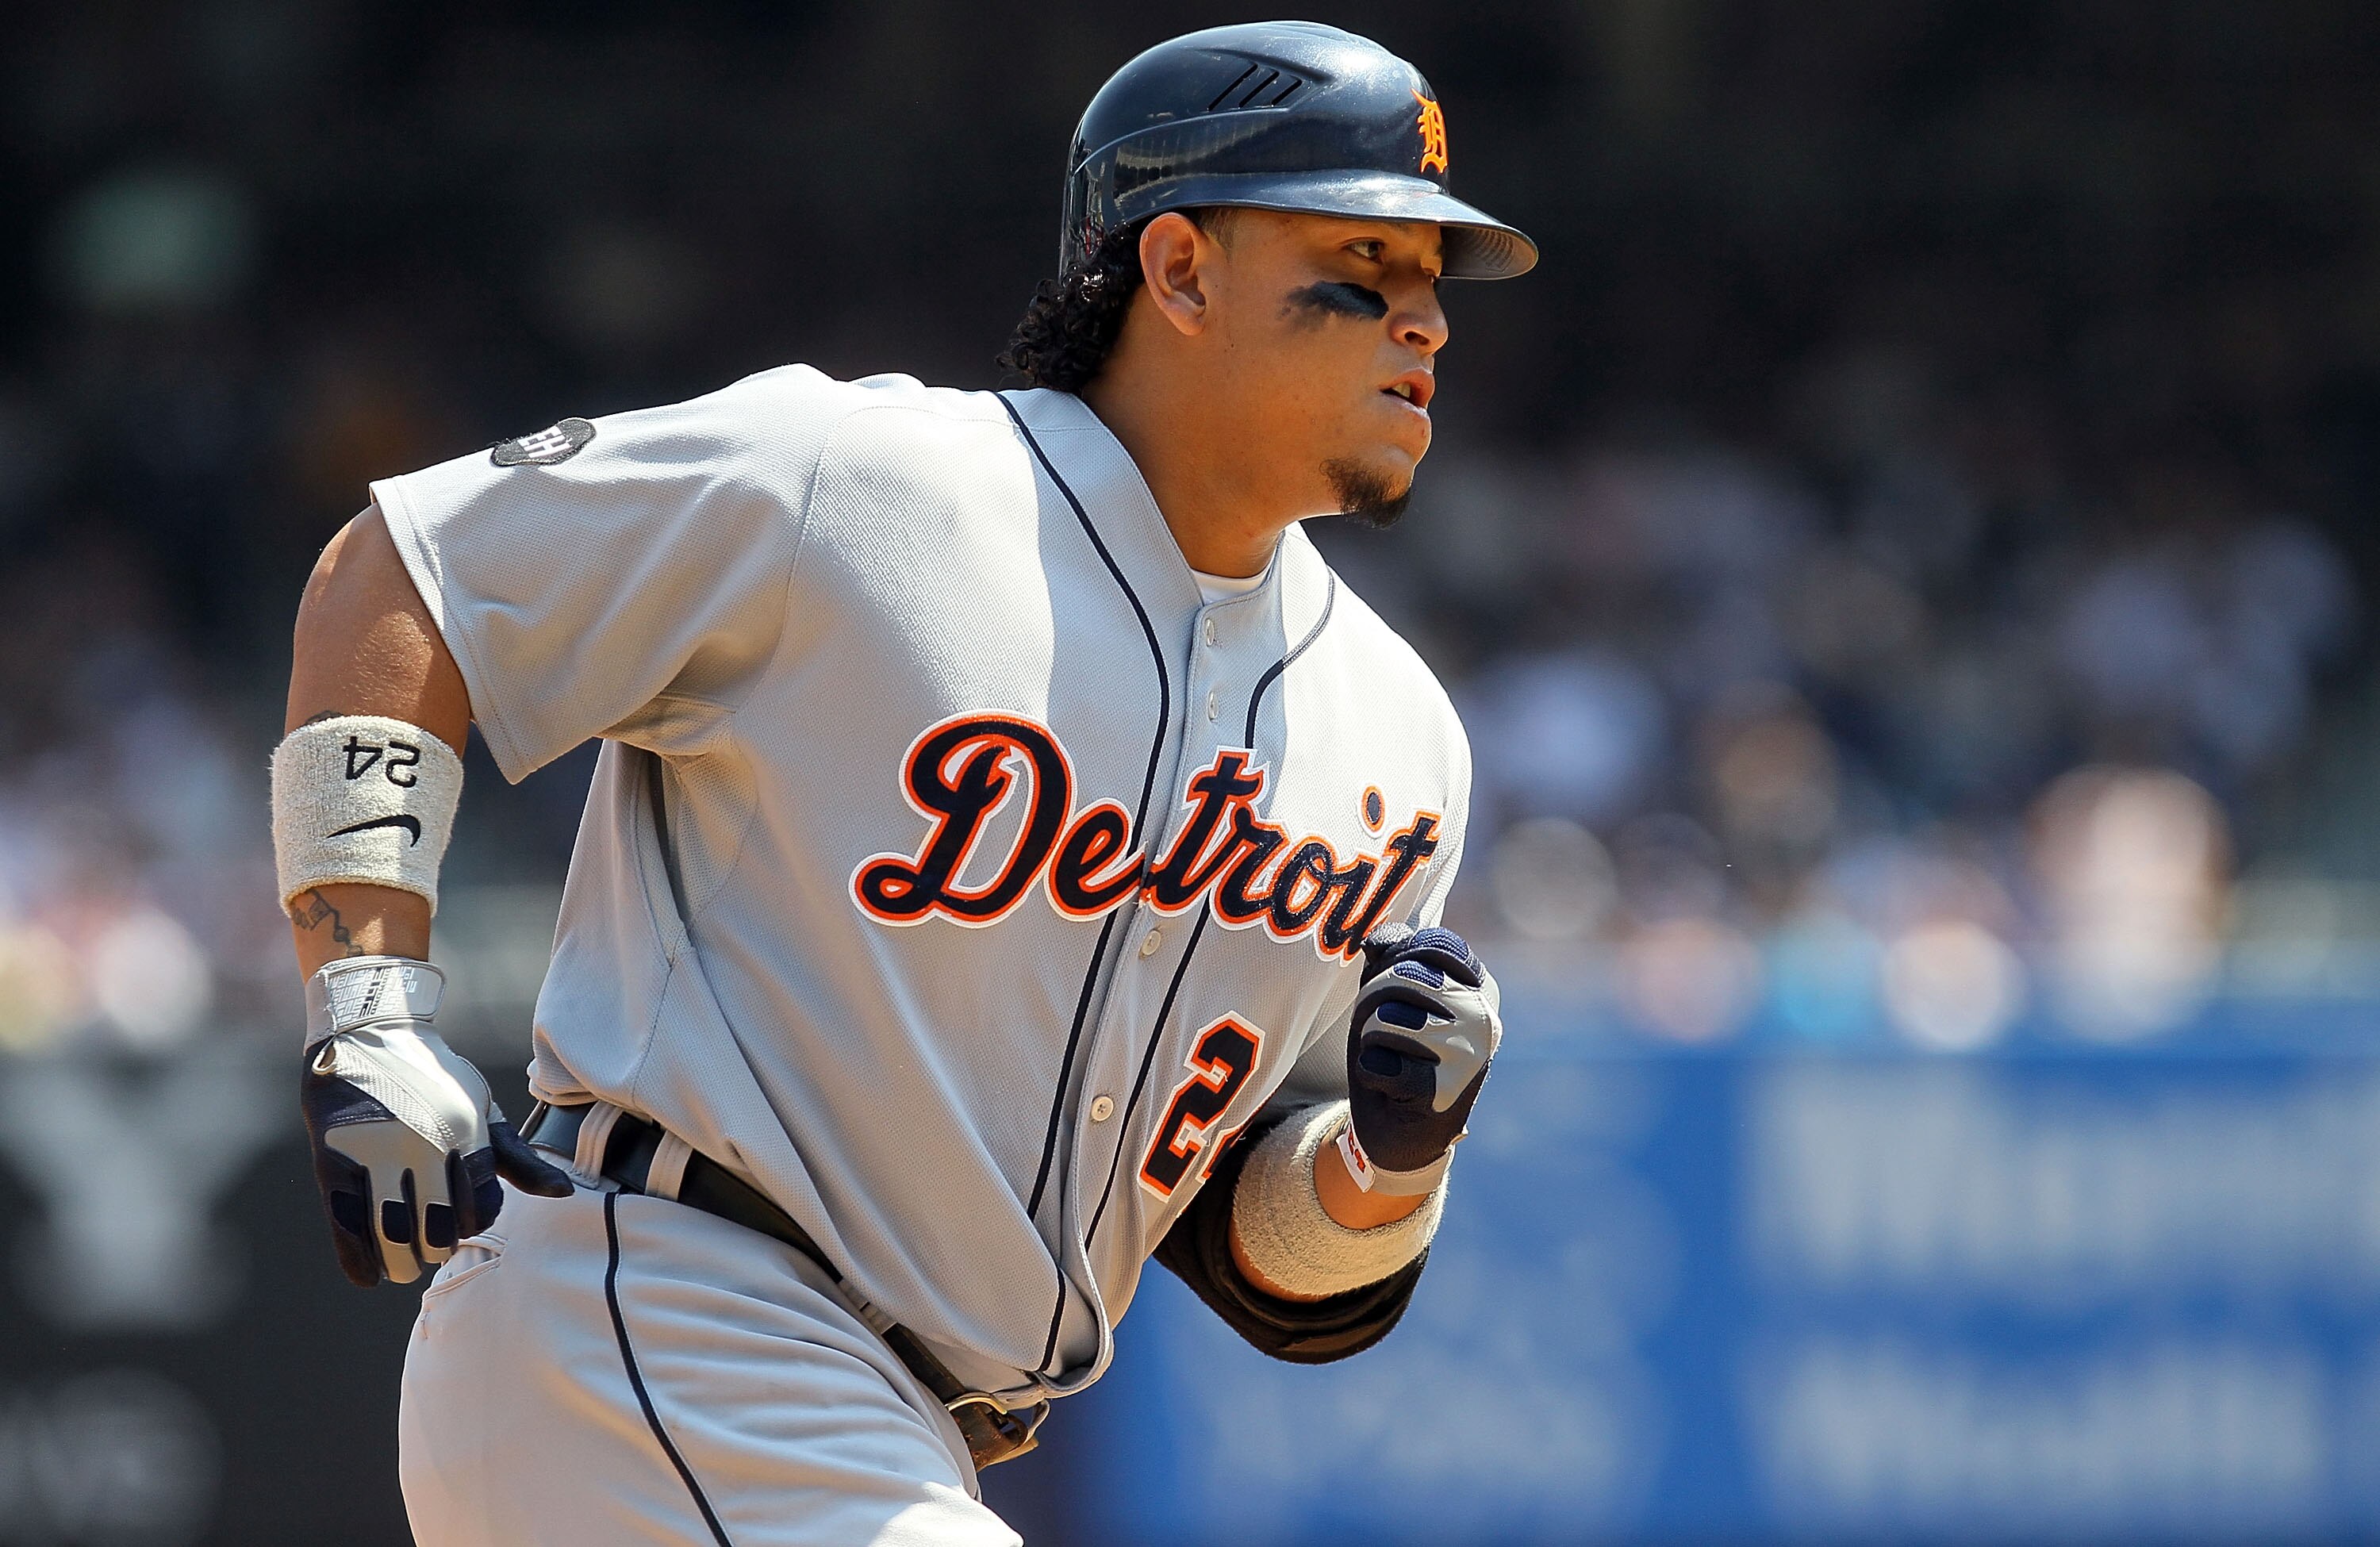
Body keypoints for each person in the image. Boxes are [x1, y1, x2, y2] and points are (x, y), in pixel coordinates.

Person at [271, 21, 1533, 1545]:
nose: (1427, 323)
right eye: (1365, 261)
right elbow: (407, 571)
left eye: (1433, 281)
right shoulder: (860, 484)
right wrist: (366, 1003)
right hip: (660, 1323)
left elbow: (1272, 1271)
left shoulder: (1398, 737)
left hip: (902, 1428)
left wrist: (1389, 1164)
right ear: (1183, 270)